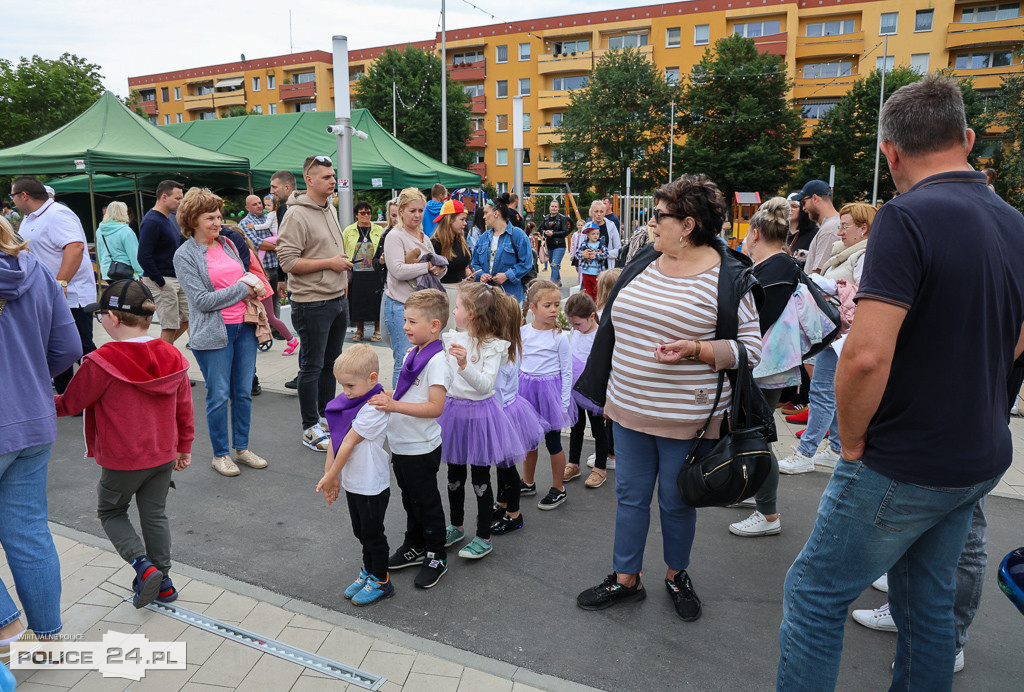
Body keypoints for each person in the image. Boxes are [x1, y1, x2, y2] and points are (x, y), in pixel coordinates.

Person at [777, 73, 1024, 691]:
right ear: (966, 138)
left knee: (814, 593)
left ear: (890, 153)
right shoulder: (1014, 221)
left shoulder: (906, 218)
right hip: (979, 451)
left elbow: (864, 356)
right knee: (928, 604)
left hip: (906, 456)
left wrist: (853, 444)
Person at [574, 174, 762, 622]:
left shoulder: (729, 275)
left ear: (689, 224)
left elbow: (752, 349)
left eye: (660, 215)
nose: (652, 223)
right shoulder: (644, 259)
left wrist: (697, 349)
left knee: (678, 503)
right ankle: (625, 579)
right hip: (627, 406)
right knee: (631, 497)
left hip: (689, 419)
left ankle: (677, 576)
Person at [54, 280, 193, 608]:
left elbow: (71, 404)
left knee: (111, 511)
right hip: (163, 453)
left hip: (122, 458)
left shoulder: (101, 361)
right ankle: (165, 581)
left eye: (101, 315)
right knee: (154, 514)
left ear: (113, 319)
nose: (100, 321)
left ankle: (142, 568)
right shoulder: (172, 355)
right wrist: (184, 447)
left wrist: (40, 402)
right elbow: (183, 408)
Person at [0, 215, 81, 651]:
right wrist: (30, 381)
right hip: (32, 419)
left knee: (28, 530)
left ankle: (6, 627)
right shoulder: (35, 270)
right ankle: (48, 636)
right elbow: (68, 349)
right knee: (28, 530)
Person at [173, 188, 270, 477]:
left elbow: (240, 278)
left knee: (242, 393)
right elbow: (202, 301)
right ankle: (220, 454)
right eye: (210, 218)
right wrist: (244, 288)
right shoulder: (185, 255)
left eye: (219, 216)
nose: (218, 223)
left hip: (244, 327)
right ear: (192, 220)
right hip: (213, 333)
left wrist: (246, 286)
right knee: (218, 394)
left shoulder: (227, 243)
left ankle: (241, 448)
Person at [777, 201, 876, 476]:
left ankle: (806, 454)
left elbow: (861, 294)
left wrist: (829, 286)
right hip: (835, 332)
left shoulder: (864, 255)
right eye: (841, 225)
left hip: (842, 334)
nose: (840, 232)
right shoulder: (848, 253)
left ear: (864, 228)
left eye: (845, 226)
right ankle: (833, 450)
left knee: (821, 393)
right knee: (830, 392)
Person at [726, 197, 800, 538]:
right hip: (769, 365)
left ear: (754, 234)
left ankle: (768, 514)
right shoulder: (780, 265)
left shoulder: (773, 269)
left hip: (765, 367)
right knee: (753, 433)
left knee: (758, 436)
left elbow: (755, 322)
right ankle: (755, 493)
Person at [371, 289, 453, 589]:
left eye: (411, 321)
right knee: (410, 499)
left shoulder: (437, 362)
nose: (404, 326)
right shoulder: (412, 352)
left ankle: (436, 554)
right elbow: (407, 394)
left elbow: (435, 407)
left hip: (420, 447)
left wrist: (393, 405)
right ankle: (414, 544)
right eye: (405, 320)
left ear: (434, 325)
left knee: (426, 502)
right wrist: (385, 396)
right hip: (403, 444)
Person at [276, 155, 353, 453]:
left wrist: (341, 276)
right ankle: (310, 426)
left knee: (331, 364)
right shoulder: (296, 215)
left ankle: (324, 417)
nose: (333, 181)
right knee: (311, 365)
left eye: (333, 175)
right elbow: (288, 262)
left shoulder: (328, 207)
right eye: (326, 177)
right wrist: (331, 264)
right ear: (309, 180)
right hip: (311, 302)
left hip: (335, 298)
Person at [437, 282, 517, 559]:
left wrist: (464, 366)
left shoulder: (494, 346)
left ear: (471, 313)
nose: (453, 310)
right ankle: (456, 525)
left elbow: (484, 386)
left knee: (480, 478)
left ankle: (483, 535)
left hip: (480, 415)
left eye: (457, 306)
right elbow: (446, 378)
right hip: (453, 414)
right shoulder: (451, 338)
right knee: (454, 475)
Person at [316, 344, 393, 606]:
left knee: (373, 534)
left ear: (372, 379)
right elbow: (334, 440)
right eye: (342, 386)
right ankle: (368, 571)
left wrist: (329, 477)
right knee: (361, 531)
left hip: (372, 484)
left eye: (350, 386)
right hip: (355, 482)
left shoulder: (374, 407)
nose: (345, 393)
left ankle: (381, 580)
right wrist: (331, 475)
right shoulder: (351, 403)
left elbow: (347, 443)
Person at [11, 176, 96, 393]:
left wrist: (61, 282)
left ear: (24, 195)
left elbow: (75, 247)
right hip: (49, 295)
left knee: (80, 347)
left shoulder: (57, 213)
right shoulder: (29, 218)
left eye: (13, 197)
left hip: (71, 296)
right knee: (55, 347)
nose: (13, 202)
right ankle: (67, 396)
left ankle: (102, 389)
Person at [490, 292, 543, 535]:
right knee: (502, 464)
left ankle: (514, 513)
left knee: (507, 466)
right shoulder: (511, 344)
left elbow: (497, 388)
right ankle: (502, 502)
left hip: (503, 413)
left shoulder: (504, 352)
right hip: (508, 409)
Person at [383, 188, 448, 385]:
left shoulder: (423, 236)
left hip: (420, 308)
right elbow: (397, 270)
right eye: (413, 211)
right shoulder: (395, 236)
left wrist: (438, 270)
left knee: (417, 359)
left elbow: (435, 269)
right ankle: (397, 405)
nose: (418, 215)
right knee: (403, 360)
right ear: (401, 210)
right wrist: (427, 266)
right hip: (400, 305)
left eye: (421, 210)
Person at [518, 279, 572, 509]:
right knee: (529, 441)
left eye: (557, 305)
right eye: (547, 305)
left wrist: (564, 403)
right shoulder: (522, 332)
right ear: (532, 307)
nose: (553, 310)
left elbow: (567, 371)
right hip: (526, 393)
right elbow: (518, 364)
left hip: (550, 395)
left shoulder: (560, 337)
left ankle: (558, 487)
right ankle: (528, 482)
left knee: (553, 442)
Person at [562, 292, 609, 488]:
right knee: (576, 427)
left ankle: (600, 467)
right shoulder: (576, 332)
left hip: (594, 391)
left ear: (592, 317)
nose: (574, 328)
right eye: (572, 325)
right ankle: (574, 463)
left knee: (599, 429)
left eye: (578, 324)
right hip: (576, 390)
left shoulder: (601, 336)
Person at [138, 180, 188, 346]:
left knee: (189, 318)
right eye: (178, 198)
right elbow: (143, 256)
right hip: (161, 279)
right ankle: (162, 361)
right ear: (164, 197)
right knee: (169, 325)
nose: (180, 202)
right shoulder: (152, 221)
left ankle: (159, 350)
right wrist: (160, 281)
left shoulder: (167, 219)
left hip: (174, 277)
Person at [470, 193, 533, 303]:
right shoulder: (484, 237)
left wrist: (507, 275)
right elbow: (474, 262)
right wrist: (481, 275)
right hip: (486, 298)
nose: (483, 216)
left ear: (496, 214)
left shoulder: (518, 235)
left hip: (510, 298)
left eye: (486, 213)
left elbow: (526, 263)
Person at [343, 200, 384, 342]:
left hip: (374, 270)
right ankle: (359, 330)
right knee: (357, 301)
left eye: (368, 213)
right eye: (363, 213)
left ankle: (377, 330)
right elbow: (343, 248)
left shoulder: (379, 230)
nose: (366, 215)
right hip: (356, 272)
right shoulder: (349, 231)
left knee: (375, 301)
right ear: (356, 215)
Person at [431, 198, 473, 330]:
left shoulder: (460, 239)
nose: (465, 223)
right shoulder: (436, 244)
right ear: (450, 220)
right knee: (447, 335)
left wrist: (469, 273)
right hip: (445, 293)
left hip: (462, 292)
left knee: (463, 334)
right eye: (462, 219)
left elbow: (464, 265)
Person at [240, 194, 282, 320]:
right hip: (262, 269)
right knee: (263, 301)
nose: (259, 206)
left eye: (259, 202)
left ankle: (276, 330)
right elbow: (256, 243)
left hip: (276, 265)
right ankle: (265, 330)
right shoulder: (246, 223)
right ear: (247, 208)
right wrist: (276, 247)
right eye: (255, 204)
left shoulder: (269, 217)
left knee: (276, 300)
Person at [793, 180, 839, 274]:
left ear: (815, 198)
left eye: (803, 202)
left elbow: (818, 273)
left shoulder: (829, 229)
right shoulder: (831, 224)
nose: (803, 209)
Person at [95, 202, 145, 281]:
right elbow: (134, 255)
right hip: (125, 272)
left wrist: (103, 268)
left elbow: (99, 253)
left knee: (115, 293)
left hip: (107, 272)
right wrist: (141, 273)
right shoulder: (126, 231)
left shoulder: (99, 230)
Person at [575, 223, 608, 300]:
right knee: (588, 291)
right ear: (588, 235)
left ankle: (597, 307)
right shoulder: (584, 244)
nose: (596, 236)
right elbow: (577, 255)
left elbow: (606, 254)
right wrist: (584, 255)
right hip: (586, 272)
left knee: (597, 291)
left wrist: (595, 256)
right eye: (593, 234)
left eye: (597, 234)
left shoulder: (601, 244)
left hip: (597, 272)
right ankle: (591, 307)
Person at [785, 192, 818, 269]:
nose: (789, 210)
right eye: (786, 206)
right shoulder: (779, 232)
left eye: (794, 206)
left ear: (803, 209)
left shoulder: (814, 233)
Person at [588, 199, 622, 269]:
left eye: (601, 211)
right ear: (591, 212)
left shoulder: (611, 226)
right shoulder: (587, 227)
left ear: (604, 213)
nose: (599, 214)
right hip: (589, 269)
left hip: (606, 268)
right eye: (596, 211)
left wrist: (603, 254)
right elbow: (579, 250)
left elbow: (618, 250)